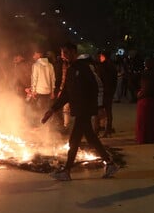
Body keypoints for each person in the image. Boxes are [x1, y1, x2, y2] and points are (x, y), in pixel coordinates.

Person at [41, 42, 120, 181]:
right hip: (79, 110)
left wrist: (100, 107)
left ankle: (66, 171)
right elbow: (66, 93)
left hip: (85, 109)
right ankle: (110, 163)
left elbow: (97, 86)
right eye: (62, 53)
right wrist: (52, 109)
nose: (63, 56)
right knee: (91, 138)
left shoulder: (84, 68)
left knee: (74, 140)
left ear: (73, 52)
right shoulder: (72, 69)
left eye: (65, 52)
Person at [135, 57, 154, 144]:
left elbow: (145, 87)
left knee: (144, 121)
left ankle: (144, 138)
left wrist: (139, 93)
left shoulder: (145, 74)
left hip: (145, 100)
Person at [30, 48, 56, 127]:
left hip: (39, 91)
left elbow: (34, 78)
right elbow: (53, 79)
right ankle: (46, 128)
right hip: (48, 92)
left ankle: (40, 127)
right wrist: (52, 92)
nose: (33, 56)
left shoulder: (36, 65)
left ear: (39, 54)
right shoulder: (50, 65)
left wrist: (33, 91)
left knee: (39, 111)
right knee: (46, 110)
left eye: (35, 54)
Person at [95, 50, 117, 137]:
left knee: (99, 111)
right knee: (108, 111)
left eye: (100, 56)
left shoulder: (103, 66)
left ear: (103, 56)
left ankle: (98, 130)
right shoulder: (112, 66)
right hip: (110, 91)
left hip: (104, 92)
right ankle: (108, 130)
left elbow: (101, 79)